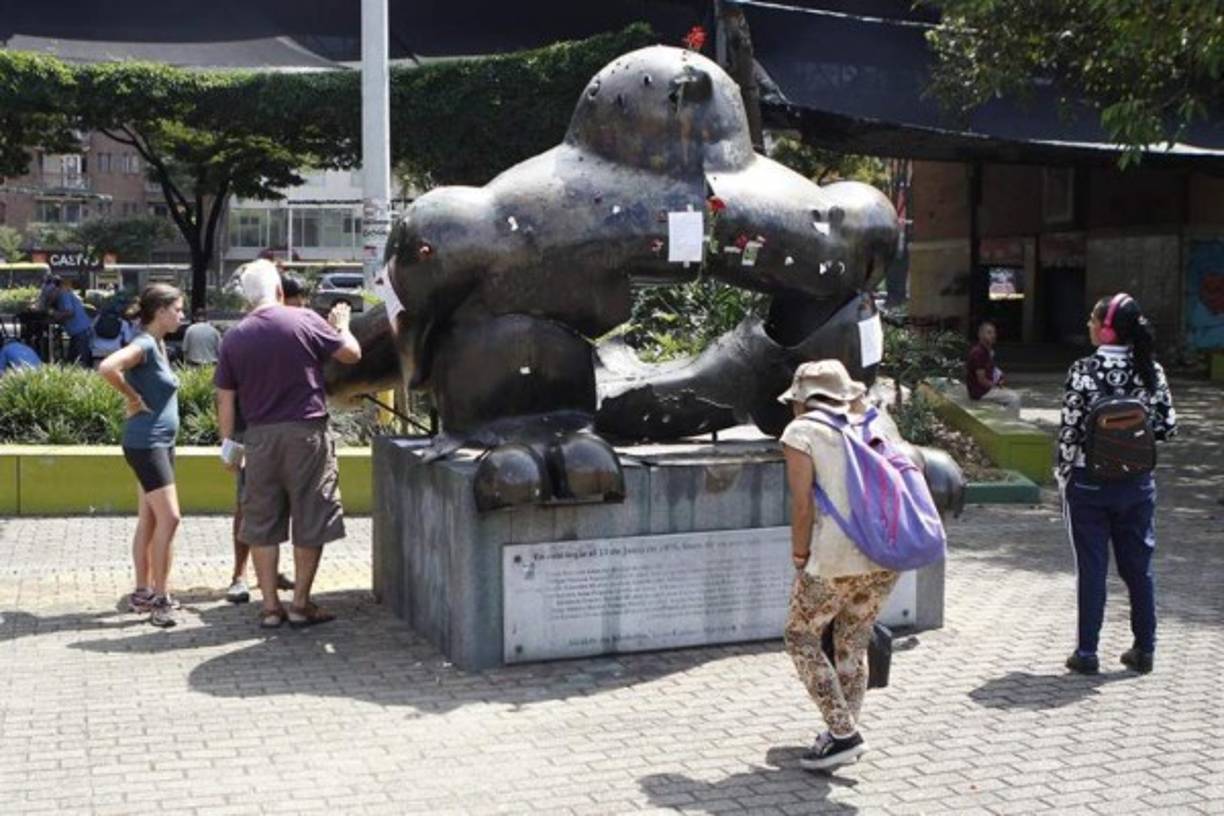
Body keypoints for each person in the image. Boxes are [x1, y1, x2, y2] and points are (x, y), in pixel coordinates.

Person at [214, 259, 361, 628]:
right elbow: (351, 354)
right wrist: (341, 326)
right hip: (306, 433)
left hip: (259, 438)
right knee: (311, 514)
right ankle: (299, 603)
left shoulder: (234, 337)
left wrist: (228, 446)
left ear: (248, 300)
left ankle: (269, 608)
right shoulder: (305, 319)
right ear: (279, 291)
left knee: (262, 521)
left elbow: (225, 398)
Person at [779, 360, 899, 772]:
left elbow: (802, 505)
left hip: (833, 558)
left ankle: (844, 734)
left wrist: (799, 556)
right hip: (884, 555)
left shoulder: (802, 431)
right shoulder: (875, 421)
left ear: (804, 400)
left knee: (801, 637)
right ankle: (841, 733)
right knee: (852, 641)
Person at [1059, 293, 1176, 676]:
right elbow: (1167, 427)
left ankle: (1088, 652)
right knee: (1139, 569)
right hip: (1137, 483)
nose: (1089, 326)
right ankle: (1145, 649)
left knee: (1092, 569)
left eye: (1093, 320)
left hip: (1089, 483)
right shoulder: (1151, 370)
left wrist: (1063, 472)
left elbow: (1071, 431)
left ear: (1106, 328)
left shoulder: (1083, 370)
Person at [97, 284, 186, 628]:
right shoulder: (145, 343)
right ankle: (160, 599)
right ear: (160, 311)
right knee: (171, 519)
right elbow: (108, 367)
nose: (181, 315)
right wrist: (131, 397)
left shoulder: (158, 344)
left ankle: (142, 592)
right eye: (177, 309)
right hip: (147, 443)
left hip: (158, 442)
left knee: (150, 518)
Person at [964, 320, 1021, 414]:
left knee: (1008, 394)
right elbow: (981, 379)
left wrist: (1000, 378)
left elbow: (992, 370)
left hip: (985, 390)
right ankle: (1012, 424)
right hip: (980, 393)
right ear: (980, 335)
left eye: (994, 332)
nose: (993, 335)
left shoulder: (987, 351)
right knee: (1014, 398)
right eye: (989, 332)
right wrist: (996, 387)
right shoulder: (978, 352)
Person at [50, 277, 93, 368]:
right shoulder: (66, 293)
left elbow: (70, 312)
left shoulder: (63, 294)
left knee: (80, 362)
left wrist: (55, 314)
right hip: (79, 332)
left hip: (80, 331)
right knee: (73, 361)